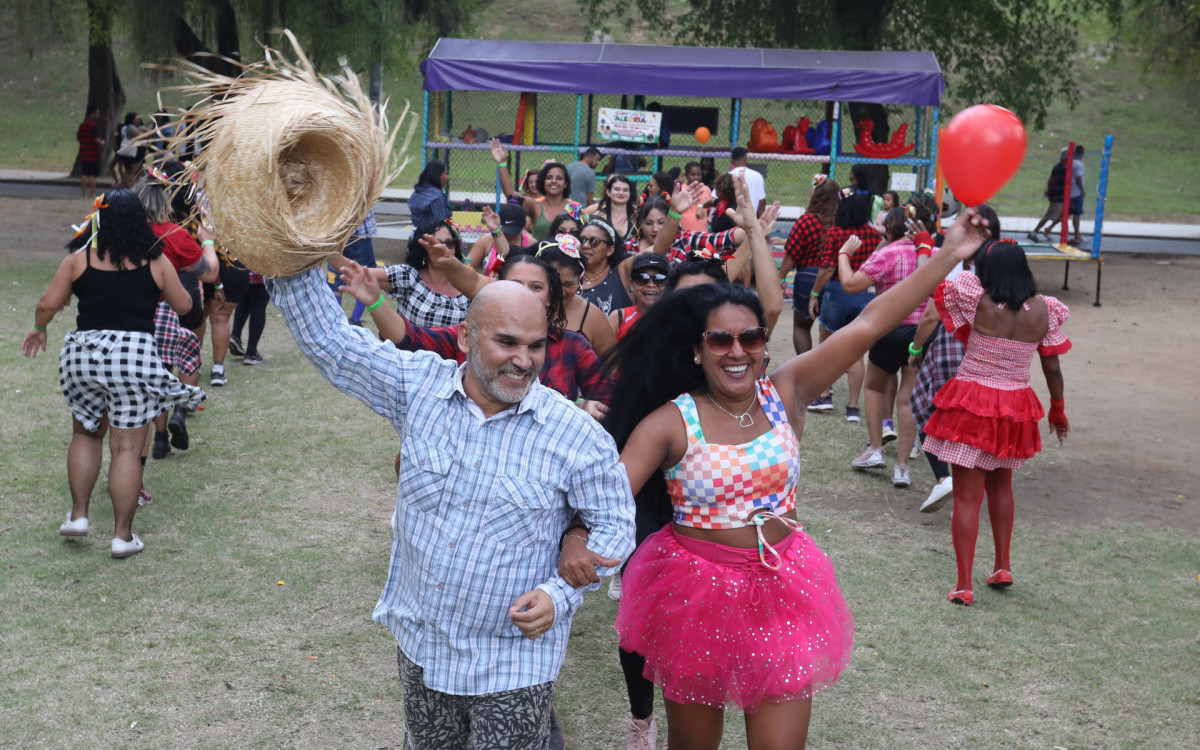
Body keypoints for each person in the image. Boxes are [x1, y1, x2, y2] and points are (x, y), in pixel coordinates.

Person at [570, 208, 988, 749]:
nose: (737, 351)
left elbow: (870, 323)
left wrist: (950, 255)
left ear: (765, 344)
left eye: (751, 339)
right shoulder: (669, 421)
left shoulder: (785, 390)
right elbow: (609, 497)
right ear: (697, 351)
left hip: (784, 588)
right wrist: (578, 537)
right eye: (720, 341)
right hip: (693, 594)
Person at [269, 265, 636, 750]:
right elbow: (333, 345)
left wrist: (557, 595)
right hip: (423, 646)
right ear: (465, 336)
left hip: (515, 660)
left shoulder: (575, 435)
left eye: (535, 346)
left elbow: (616, 527)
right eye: (506, 342)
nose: (524, 361)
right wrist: (290, 262)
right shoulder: (418, 387)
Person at [21, 190, 204, 557]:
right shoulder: (156, 261)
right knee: (127, 448)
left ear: (98, 222)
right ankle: (122, 536)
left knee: (86, 434)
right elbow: (185, 306)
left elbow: (47, 304)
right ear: (140, 221)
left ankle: (79, 516)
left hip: (83, 356)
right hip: (133, 357)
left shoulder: (78, 260)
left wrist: (39, 328)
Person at [923, 239, 1070, 606]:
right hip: (1015, 406)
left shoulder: (977, 298)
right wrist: (1058, 407)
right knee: (1002, 486)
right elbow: (1052, 367)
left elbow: (948, 287)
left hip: (973, 402)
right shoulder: (1045, 311)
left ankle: (963, 585)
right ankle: (1002, 566)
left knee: (966, 497)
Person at [837, 207, 922, 485]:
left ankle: (876, 449)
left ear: (888, 230)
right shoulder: (927, 255)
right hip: (920, 332)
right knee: (907, 399)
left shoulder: (886, 255)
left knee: (874, 386)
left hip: (889, 328)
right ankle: (902, 467)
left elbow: (850, 284)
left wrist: (844, 254)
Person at [806, 190, 883, 415]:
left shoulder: (836, 233)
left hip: (838, 291)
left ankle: (823, 396)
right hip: (866, 294)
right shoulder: (873, 235)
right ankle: (853, 407)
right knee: (856, 353)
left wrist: (814, 295)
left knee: (826, 345)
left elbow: (828, 268)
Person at [353, 219, 471, 328]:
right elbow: (359, 273)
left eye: (450, 243)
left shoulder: (467, 285)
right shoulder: (409, 276)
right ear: (423, 250)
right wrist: (334, 253)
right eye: (437, 244)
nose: (445, 249)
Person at [778, 174, 840, 356]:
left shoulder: (806, 221)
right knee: (828, 329)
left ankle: (804, 369)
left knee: (801, 326)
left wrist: (780, 277)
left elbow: (791, 253)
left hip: (807, 278)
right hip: (834, 279)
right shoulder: (840, 224)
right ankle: (824, 378)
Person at [535, 240, 618, 357]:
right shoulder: (522, 306)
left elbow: (612, 366)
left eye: (568, 285)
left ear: (580, 280)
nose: (560, 292)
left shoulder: (591, 316)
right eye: (553, 284)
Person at [490, 139, 580, 241]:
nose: (554, 181)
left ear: (565, 184)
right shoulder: (535, 205)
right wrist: (502, 163)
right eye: (549, 178)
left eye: (559, 178)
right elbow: (509, 192)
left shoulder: (574, 207)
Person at [578, 218, 633, 315]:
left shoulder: (621, 272)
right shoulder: (569, 274)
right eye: (582, 240)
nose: (585, 245)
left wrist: (670, 212)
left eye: (594, 241)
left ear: (610, 250)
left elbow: (657, 250)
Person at [609, 253, 669, 341]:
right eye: (642, 278)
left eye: (659, 279)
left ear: (667, 284)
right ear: (631, 284)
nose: (651, 285)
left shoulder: (676, 318)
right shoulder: (619, 317)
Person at [467, 203, 535, 276]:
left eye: (513, 233)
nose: (508, 236)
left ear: (523, 227)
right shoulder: (486, 240)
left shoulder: (532, 243)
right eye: (505, 232)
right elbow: (466, 267)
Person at [1028, 148, 1069, 243]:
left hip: (1060, 196)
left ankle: (1051, 232)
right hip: (1057, 197)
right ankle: (1035, 232)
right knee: (1052, 215)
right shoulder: (1060, 168)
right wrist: (1049, 191)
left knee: (1063, 215)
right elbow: (1051, 180)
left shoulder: (1064, 168)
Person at [584, 175, 637, 243]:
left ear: (630, 193)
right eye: (617, 189)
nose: (621, 193)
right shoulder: (598, 217)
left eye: (625, 190)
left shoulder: (637, 217)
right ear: (608, 192)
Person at [408, 161, 452, 229]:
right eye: (446, 174)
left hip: (415, 236)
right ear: (438, 175)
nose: (447, 178)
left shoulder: (417, 192)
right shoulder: (436, 197)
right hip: (431, 237)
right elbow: (442, 224)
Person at [728, 147, 765, 217]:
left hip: (731, 219)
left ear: (732, 160)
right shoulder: (758, 176)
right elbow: (761, 203)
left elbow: (715, 198)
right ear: (746, 159)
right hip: (751, 220)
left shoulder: (727, 176)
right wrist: (761, 223)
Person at [76, 106, 103, 200]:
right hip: (93, 154)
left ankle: (83, 194)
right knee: (92, 175)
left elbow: (78, 138)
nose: (98, 115)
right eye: (96, 113)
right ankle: (92, 194)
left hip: (84, 153)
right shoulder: (94, 126)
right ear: (91, 114)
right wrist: (102, 142)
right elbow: (96, 139)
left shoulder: (82, 125)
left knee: (84, 174)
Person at [678, 162, 712, 233]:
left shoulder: (706, 190)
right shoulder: (681, 189)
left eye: (698, 174)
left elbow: (708, 209)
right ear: (686, 176)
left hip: (702, 232)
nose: (696, 177)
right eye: (693, 175)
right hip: (684, 231)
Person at [1068, 145, 1086, 246]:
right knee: (1076, 215)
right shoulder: (1079, 164)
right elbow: (1078, 178)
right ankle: (1077, 235)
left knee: (1067, 213)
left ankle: (1049, 228)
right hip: (1076, 193)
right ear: (1082, 154)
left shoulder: (1070, 163)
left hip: (1069, 192)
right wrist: (1082, 190)